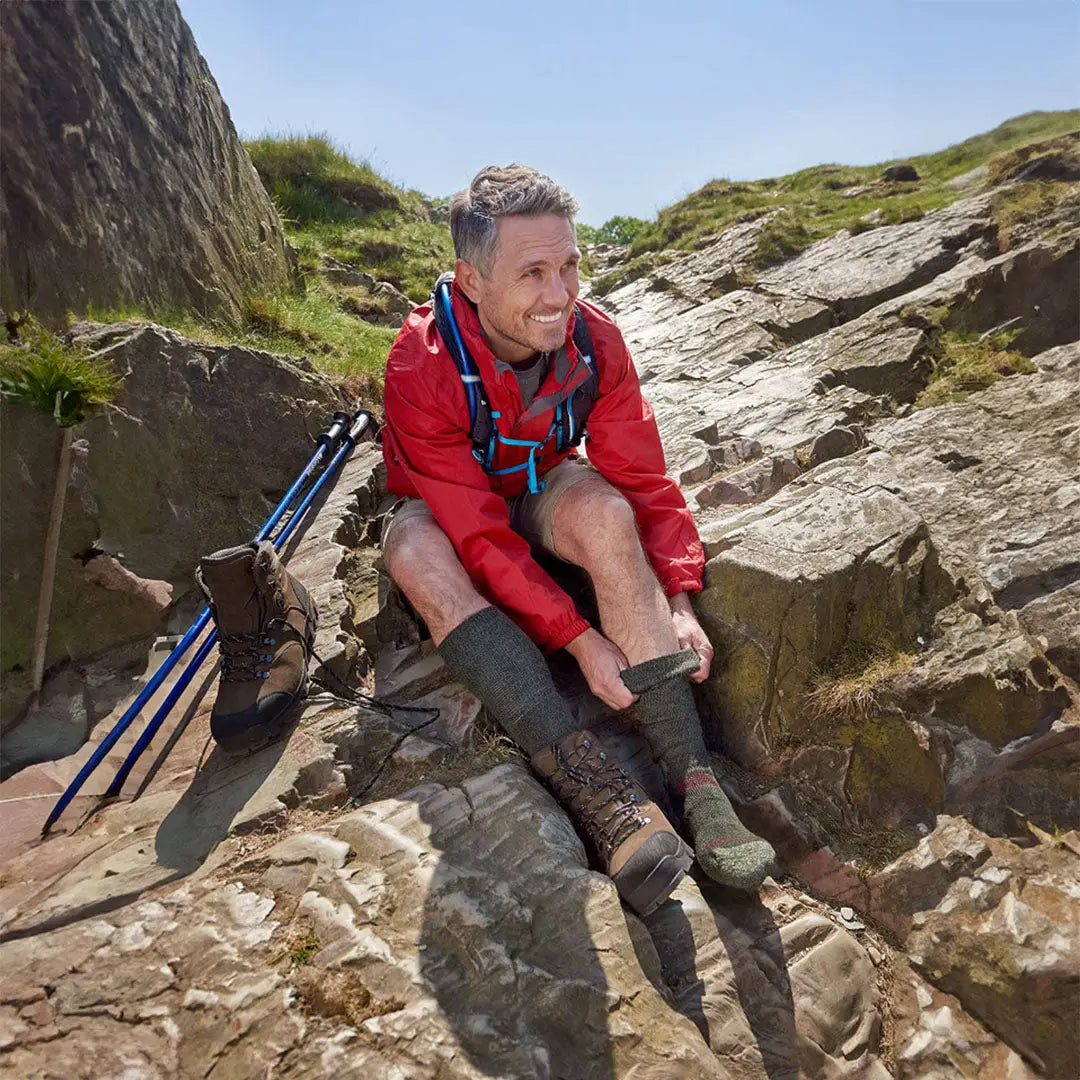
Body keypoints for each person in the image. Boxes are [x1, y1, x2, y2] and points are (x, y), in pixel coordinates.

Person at [380, 164, 775, 915]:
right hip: (447, 504)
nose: (559, 294)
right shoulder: (420, 363)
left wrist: (679, 595)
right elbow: (476, 534)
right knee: (416, 556)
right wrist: (578, 641)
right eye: (531, 272)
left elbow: (645, 481)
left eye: (568, 265)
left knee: (606, 511)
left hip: (544, 483)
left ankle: (693, 775)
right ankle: (589, 781)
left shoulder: (596, 341)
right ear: (470, 279)